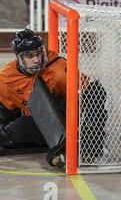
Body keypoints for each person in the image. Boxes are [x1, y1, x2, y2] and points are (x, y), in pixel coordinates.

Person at [0, 29, 106, 167]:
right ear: (19, 57)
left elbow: (92, 94)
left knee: (96, 90)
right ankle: (59, 145)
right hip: (34, 121)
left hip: (65, 116)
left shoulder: (59, 70)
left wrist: (88, 132)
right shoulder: (6, 78)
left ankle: (77, 144)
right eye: (29, 56)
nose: (37, 60)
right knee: (6, 137)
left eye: (38, 53)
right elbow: (6, 110)